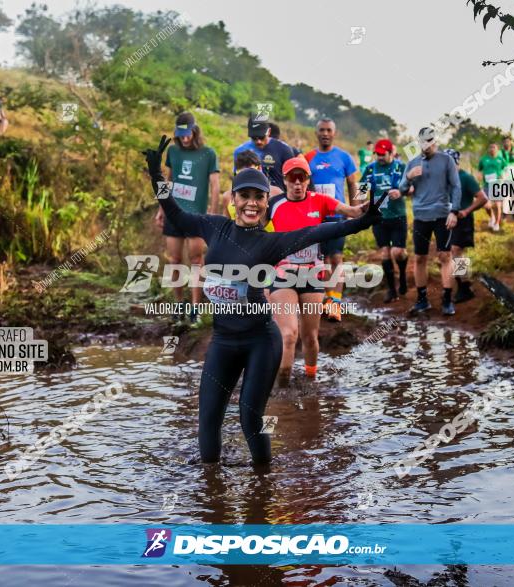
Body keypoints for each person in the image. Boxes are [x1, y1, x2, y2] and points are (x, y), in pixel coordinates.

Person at [144, 135, 385, 465]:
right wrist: (158, 177)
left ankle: (263, 488)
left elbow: (317, 233)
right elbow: (174, 210)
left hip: (260, 341)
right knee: (207, 421)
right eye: (245, 195)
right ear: (234, 198)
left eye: (259, 197)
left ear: (264, 203)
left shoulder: (270, 243)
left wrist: (362, 222)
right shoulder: (214, 228)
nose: (252, 203)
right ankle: (211, 494)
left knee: (249, 419)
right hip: (223, 341)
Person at [268, 156, 369, 386]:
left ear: (307, 180)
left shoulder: (320, 200)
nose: (297, 184)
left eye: (301, 178)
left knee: (310, 337)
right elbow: (253, 225)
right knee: (288, 335)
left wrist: (365, 209)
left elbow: (351, 211)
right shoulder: (274, 204)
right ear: (285, 180)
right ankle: (282, 385)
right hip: (283, 275)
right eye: (292, 179)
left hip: (312, 275)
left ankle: (310, 380)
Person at [154, 112, 220, 323]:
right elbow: (168, 180)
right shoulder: (173, 151)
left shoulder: (208, 154)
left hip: (196, 216)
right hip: (174, 213)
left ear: (195, 129)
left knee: (196, 261)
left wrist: (212, 212)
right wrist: (161, 209)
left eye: (187, 133)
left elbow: (215, 185)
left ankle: (195, 309)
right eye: (180, 134)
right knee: (174, 261)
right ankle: (179, 304)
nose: (184, 138)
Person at [398, 127, 461, 316]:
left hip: (442, 215)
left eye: (429, 140)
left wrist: (454, 212)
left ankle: (447, 300)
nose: (426, 144)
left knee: (445, 256)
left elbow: (456, 186)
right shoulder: (413, 163)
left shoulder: (446, 160)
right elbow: (401, 189)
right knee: (419, 258)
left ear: (435, 141)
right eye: (422, 141)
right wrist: (409, 177)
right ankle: (422, 300)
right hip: (420, 216)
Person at [304, 118, 359, 322]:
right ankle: (325, 300)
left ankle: (335, 302)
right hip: (316, 217)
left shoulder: (344, 157)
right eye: (321, 130)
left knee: (336, 258)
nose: (325, 133)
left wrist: (355, 210)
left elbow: (354, 184)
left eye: (328, 130)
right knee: (321, 260)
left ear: (334, 133)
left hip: (338, 214)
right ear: (316, 132)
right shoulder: (308, 157)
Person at [360, 139, 407, 303]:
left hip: (398, 215)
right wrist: (361, 203)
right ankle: (392, 289)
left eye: (383, 154)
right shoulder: (370, 168)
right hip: (378, 216)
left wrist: (401, 191)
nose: (379, 157)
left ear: (391, 153)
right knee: (385, 252)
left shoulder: (400, 167)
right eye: (377, 154)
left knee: (398, 252)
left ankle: (402, 276)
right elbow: (362, 188)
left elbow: (412, 186)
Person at [444, 148, 488, 303]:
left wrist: (467, 210)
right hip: (447, 219)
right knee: (451, 253)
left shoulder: (466, 178)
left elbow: (482, 198)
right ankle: (463, 285)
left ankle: (465, 288)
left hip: (463, 219)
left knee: (457, 251)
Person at [233, 116, 295, 192]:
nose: (258, 141)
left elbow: (292, 179)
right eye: (254, 138)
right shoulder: (240, 151)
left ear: (269, 132)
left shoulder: (283, 149)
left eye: (261, 137)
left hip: (276, 197)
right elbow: (237, 178)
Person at [224, 150, 277, 231]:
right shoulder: (227, 197)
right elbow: (226, 229)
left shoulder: (276, 194)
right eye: (242, 175)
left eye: (259, 197)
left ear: (259, 168)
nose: (247, 179)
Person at [478, 143, 506, 231]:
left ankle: (497, 224)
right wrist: (479, 176)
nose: (492, 149)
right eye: (490, 147)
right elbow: (479, 170)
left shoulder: (501, 159)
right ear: (488, 149)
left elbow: (505, 169)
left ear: (497, 149)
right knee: (486, 205)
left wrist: (503, 175)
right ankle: (492, 217)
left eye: (494, 147)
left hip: (497, 184)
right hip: (486, 185)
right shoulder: (484, 159)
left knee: (498, 205)